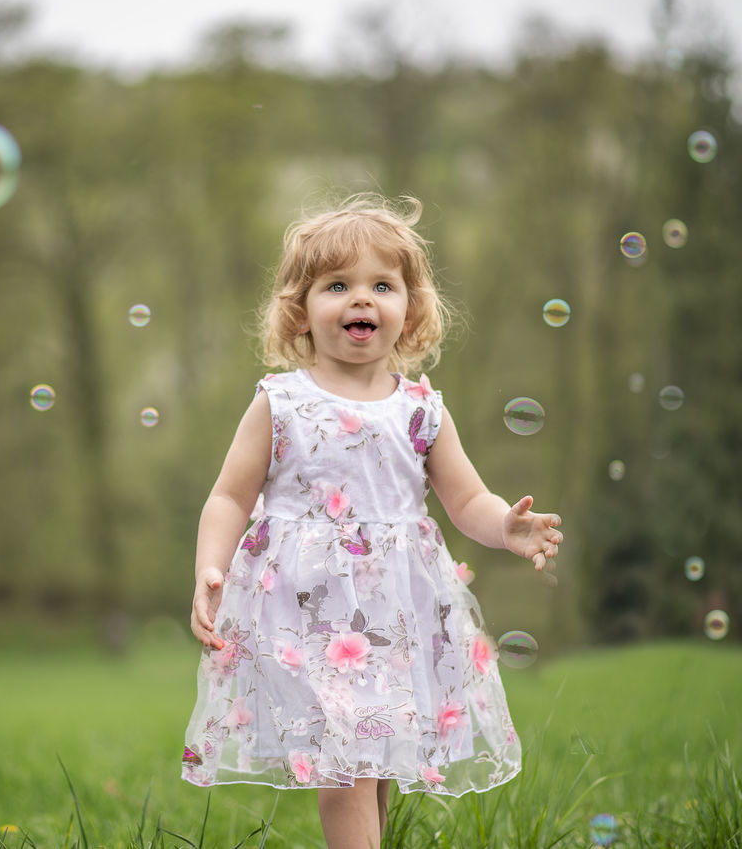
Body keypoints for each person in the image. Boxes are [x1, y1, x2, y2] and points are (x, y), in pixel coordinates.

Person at [181, 193, 563, 848]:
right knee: (345, 761)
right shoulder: (282, 402)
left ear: (409, 309)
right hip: (306, 610)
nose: (361, 299)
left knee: (374, 761)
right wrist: (210, 568)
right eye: (337, 286)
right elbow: (228, 498)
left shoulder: (421, 409)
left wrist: (506, 527)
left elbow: (466, 499)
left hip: (397, 612)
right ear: (300, 309)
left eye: (381, 285)